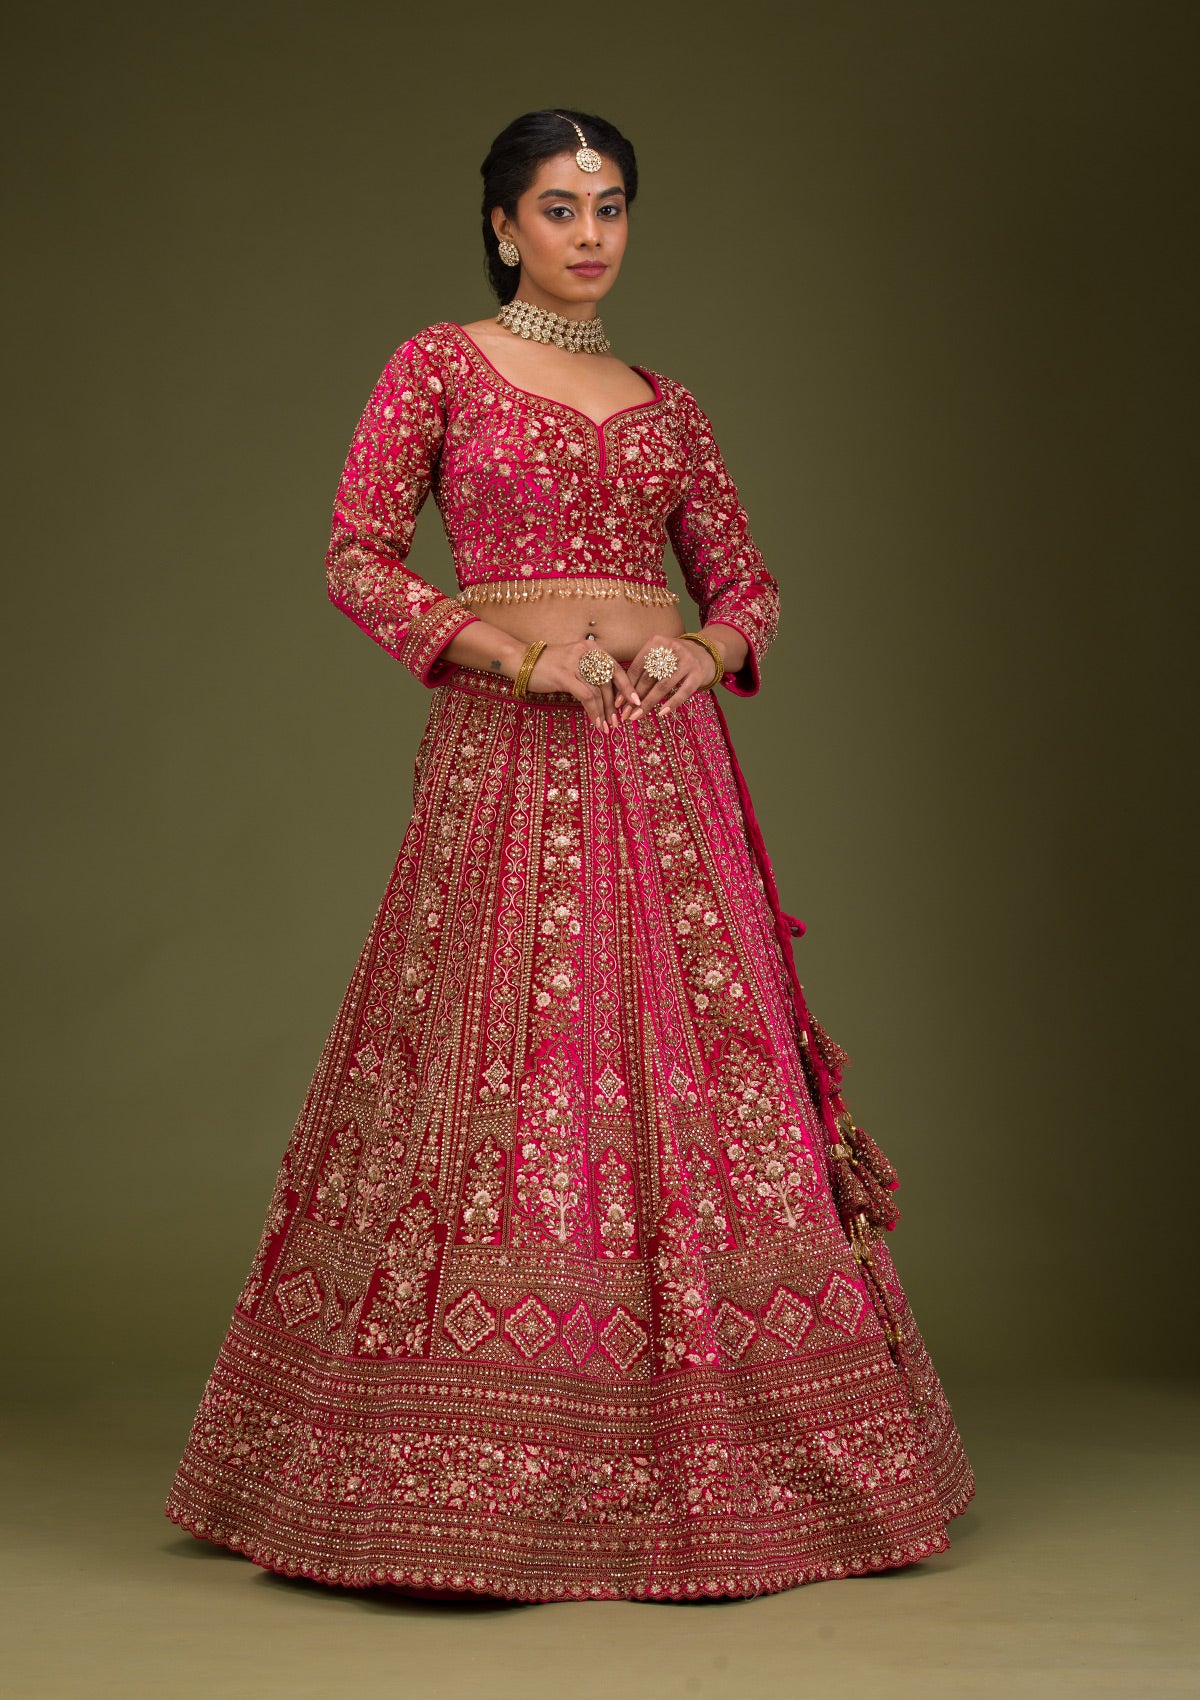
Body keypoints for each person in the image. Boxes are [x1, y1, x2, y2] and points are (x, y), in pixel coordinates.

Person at [164, 107, 975, 1603]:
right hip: (509, 757)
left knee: (695, 1066)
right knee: (504, 1061)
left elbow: (747, 579)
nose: (590, 234)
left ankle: (729, 1448)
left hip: (665, 770)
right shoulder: (439, 366)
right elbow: (355, 556)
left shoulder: (669, 405)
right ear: (502, 226)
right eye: (559, 207)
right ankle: (465, 1465)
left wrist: (703, 650)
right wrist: (518, 662)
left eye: (610, 207)